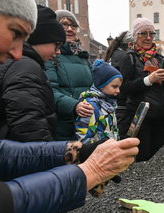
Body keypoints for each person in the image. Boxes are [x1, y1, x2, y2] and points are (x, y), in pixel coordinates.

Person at [0, 0, 139, 213]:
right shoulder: (26, 67)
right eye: (16, 33)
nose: (18, 53)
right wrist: (90, 171)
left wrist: (79, 151)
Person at [0, 5, 68, 213]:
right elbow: (28, 127)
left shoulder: (25, 64)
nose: (57, 52)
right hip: (28, 167)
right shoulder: (25, 66)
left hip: (14, 164)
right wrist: (52, 168)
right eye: (55, 44)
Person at [120, 17, 164, 161]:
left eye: (151, 34)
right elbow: (125, 88)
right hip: (141, 118)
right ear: (136, 36)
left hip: (160, 117)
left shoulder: (159, 58)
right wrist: (149, 80)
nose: (148, 38)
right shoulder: (129, 58)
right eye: (143, 33)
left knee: (158, 158)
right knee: (143, 158)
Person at [45, 9, 94, 141]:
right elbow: (50, 91)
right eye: (64, 24)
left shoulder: (83, 56)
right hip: (63, 125)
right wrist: (74, 106)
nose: (70, 29)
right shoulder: (50, 56)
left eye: (73, 25)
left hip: (87, 123)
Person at [75, 59, 122, 144]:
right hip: (97, 153)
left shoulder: (109, 105)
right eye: (114, 87)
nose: (118, 90)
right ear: (102, 85)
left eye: (119, 87)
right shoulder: (91, 106)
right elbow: (84, 138)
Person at [104, 31, 134, 139]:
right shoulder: (125, 56)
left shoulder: (114, 53)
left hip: (113, 101)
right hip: (121, 103)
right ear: (130, 45)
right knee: (121, 138)